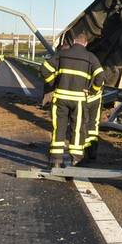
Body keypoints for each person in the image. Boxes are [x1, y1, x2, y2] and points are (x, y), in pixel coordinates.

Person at [41, 33, 103, 168]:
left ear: (74, 41)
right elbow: (100, 76)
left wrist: (53, 84)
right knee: (77, 128)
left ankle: (56, 161)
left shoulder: (62, 54)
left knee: (59, 128)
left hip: (60, 98)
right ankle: (75, 160)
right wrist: (92, 91)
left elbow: (44, 69)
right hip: (79, 101)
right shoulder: (90, 57)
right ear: (86, 44)